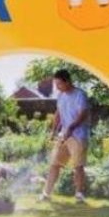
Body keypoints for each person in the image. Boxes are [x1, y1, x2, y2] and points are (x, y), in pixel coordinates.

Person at [40, 69, 90, 203]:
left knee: (78, 166)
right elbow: (58, 114)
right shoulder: (61, 95)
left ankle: (79, 195)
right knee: (54, 164)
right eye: (56, 84)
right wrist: (53, 131)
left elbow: (83, 114)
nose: (57, 87)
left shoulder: (80, 95)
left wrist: (71, 128)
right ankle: (46, 194)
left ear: (67, 81)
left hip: (78, 136)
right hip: (63, 136)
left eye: (59, 84)